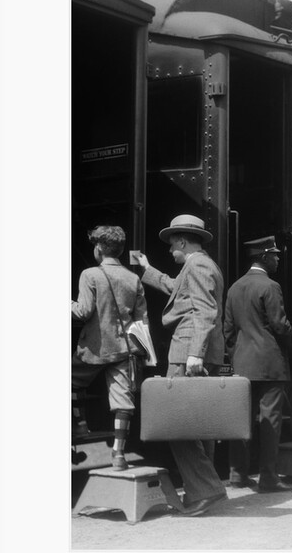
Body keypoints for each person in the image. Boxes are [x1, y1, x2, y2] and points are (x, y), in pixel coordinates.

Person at [136, 214, 227, 517]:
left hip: (189, 349)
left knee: (177, 424)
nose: (169, 249)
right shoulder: (198, 264)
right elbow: (177, 288)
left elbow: (205, 309)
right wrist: (148, 269)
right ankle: (204, 489)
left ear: (183, 241)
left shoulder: (198, 265)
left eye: (172, 244)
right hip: (194, 348)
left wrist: (195, 354)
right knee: (198, 425)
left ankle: (207, 490)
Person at [224, 236, 292, 493]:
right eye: (274, 255)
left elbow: (228, 331)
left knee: (241, 420)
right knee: (270, 421)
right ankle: (268, 478)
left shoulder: (234, 288)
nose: (277, 259)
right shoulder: (270, 286)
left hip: (242, 365)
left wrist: (238, 358)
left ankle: (236, 474)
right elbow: (280, 326)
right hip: (270, 366)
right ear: (263, 257)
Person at [71, 225, 148, 470]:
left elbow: (82, 312)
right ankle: (118, 455)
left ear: (99, 249)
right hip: (125, 349)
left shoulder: (89, 275)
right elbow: (142, 320)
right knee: (123, 402)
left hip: (94, 349)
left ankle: (79, 424)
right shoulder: (133, 278)